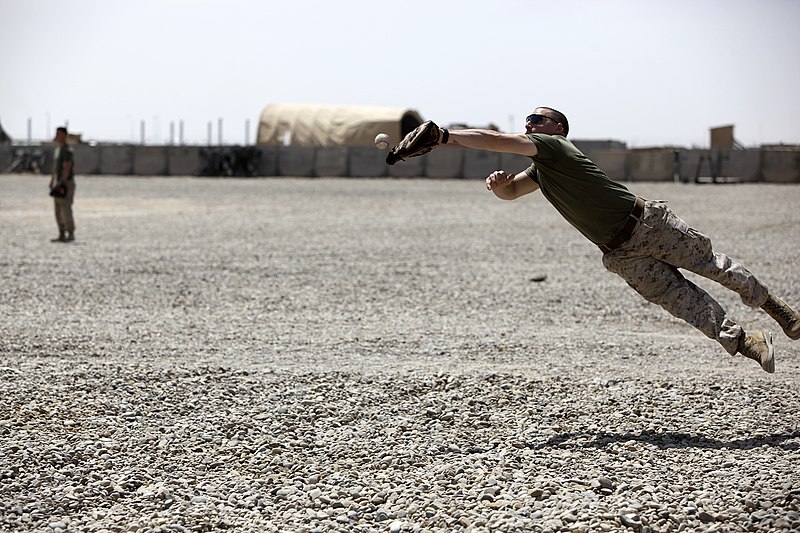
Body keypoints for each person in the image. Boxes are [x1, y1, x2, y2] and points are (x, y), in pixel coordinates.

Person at [428, 107, 800, 372]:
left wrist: (444, 136)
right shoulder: (542, 170)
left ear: (558, 129)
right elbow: (511, 195)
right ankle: (749, 343)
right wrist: (499, 188)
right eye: (527, 120)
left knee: (715, 268)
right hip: (620, 253)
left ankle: (779, 311)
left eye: (537, 120)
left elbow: (493, 139)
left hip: (648, 225)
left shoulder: (557, 149)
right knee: (686, 305)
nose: (529, 124)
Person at [49, 126, 76, 242]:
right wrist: (52, 180)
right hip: (59, 182)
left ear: (64, 135)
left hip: (66, 182)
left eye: (59, 134)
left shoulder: (66, 150)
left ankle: (70, 232)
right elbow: (56, 167)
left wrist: (62, 182)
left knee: (66, 208)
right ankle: (61, 233)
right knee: (58, 209)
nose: (57, 136)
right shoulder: (58, 149)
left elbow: (67, 166)